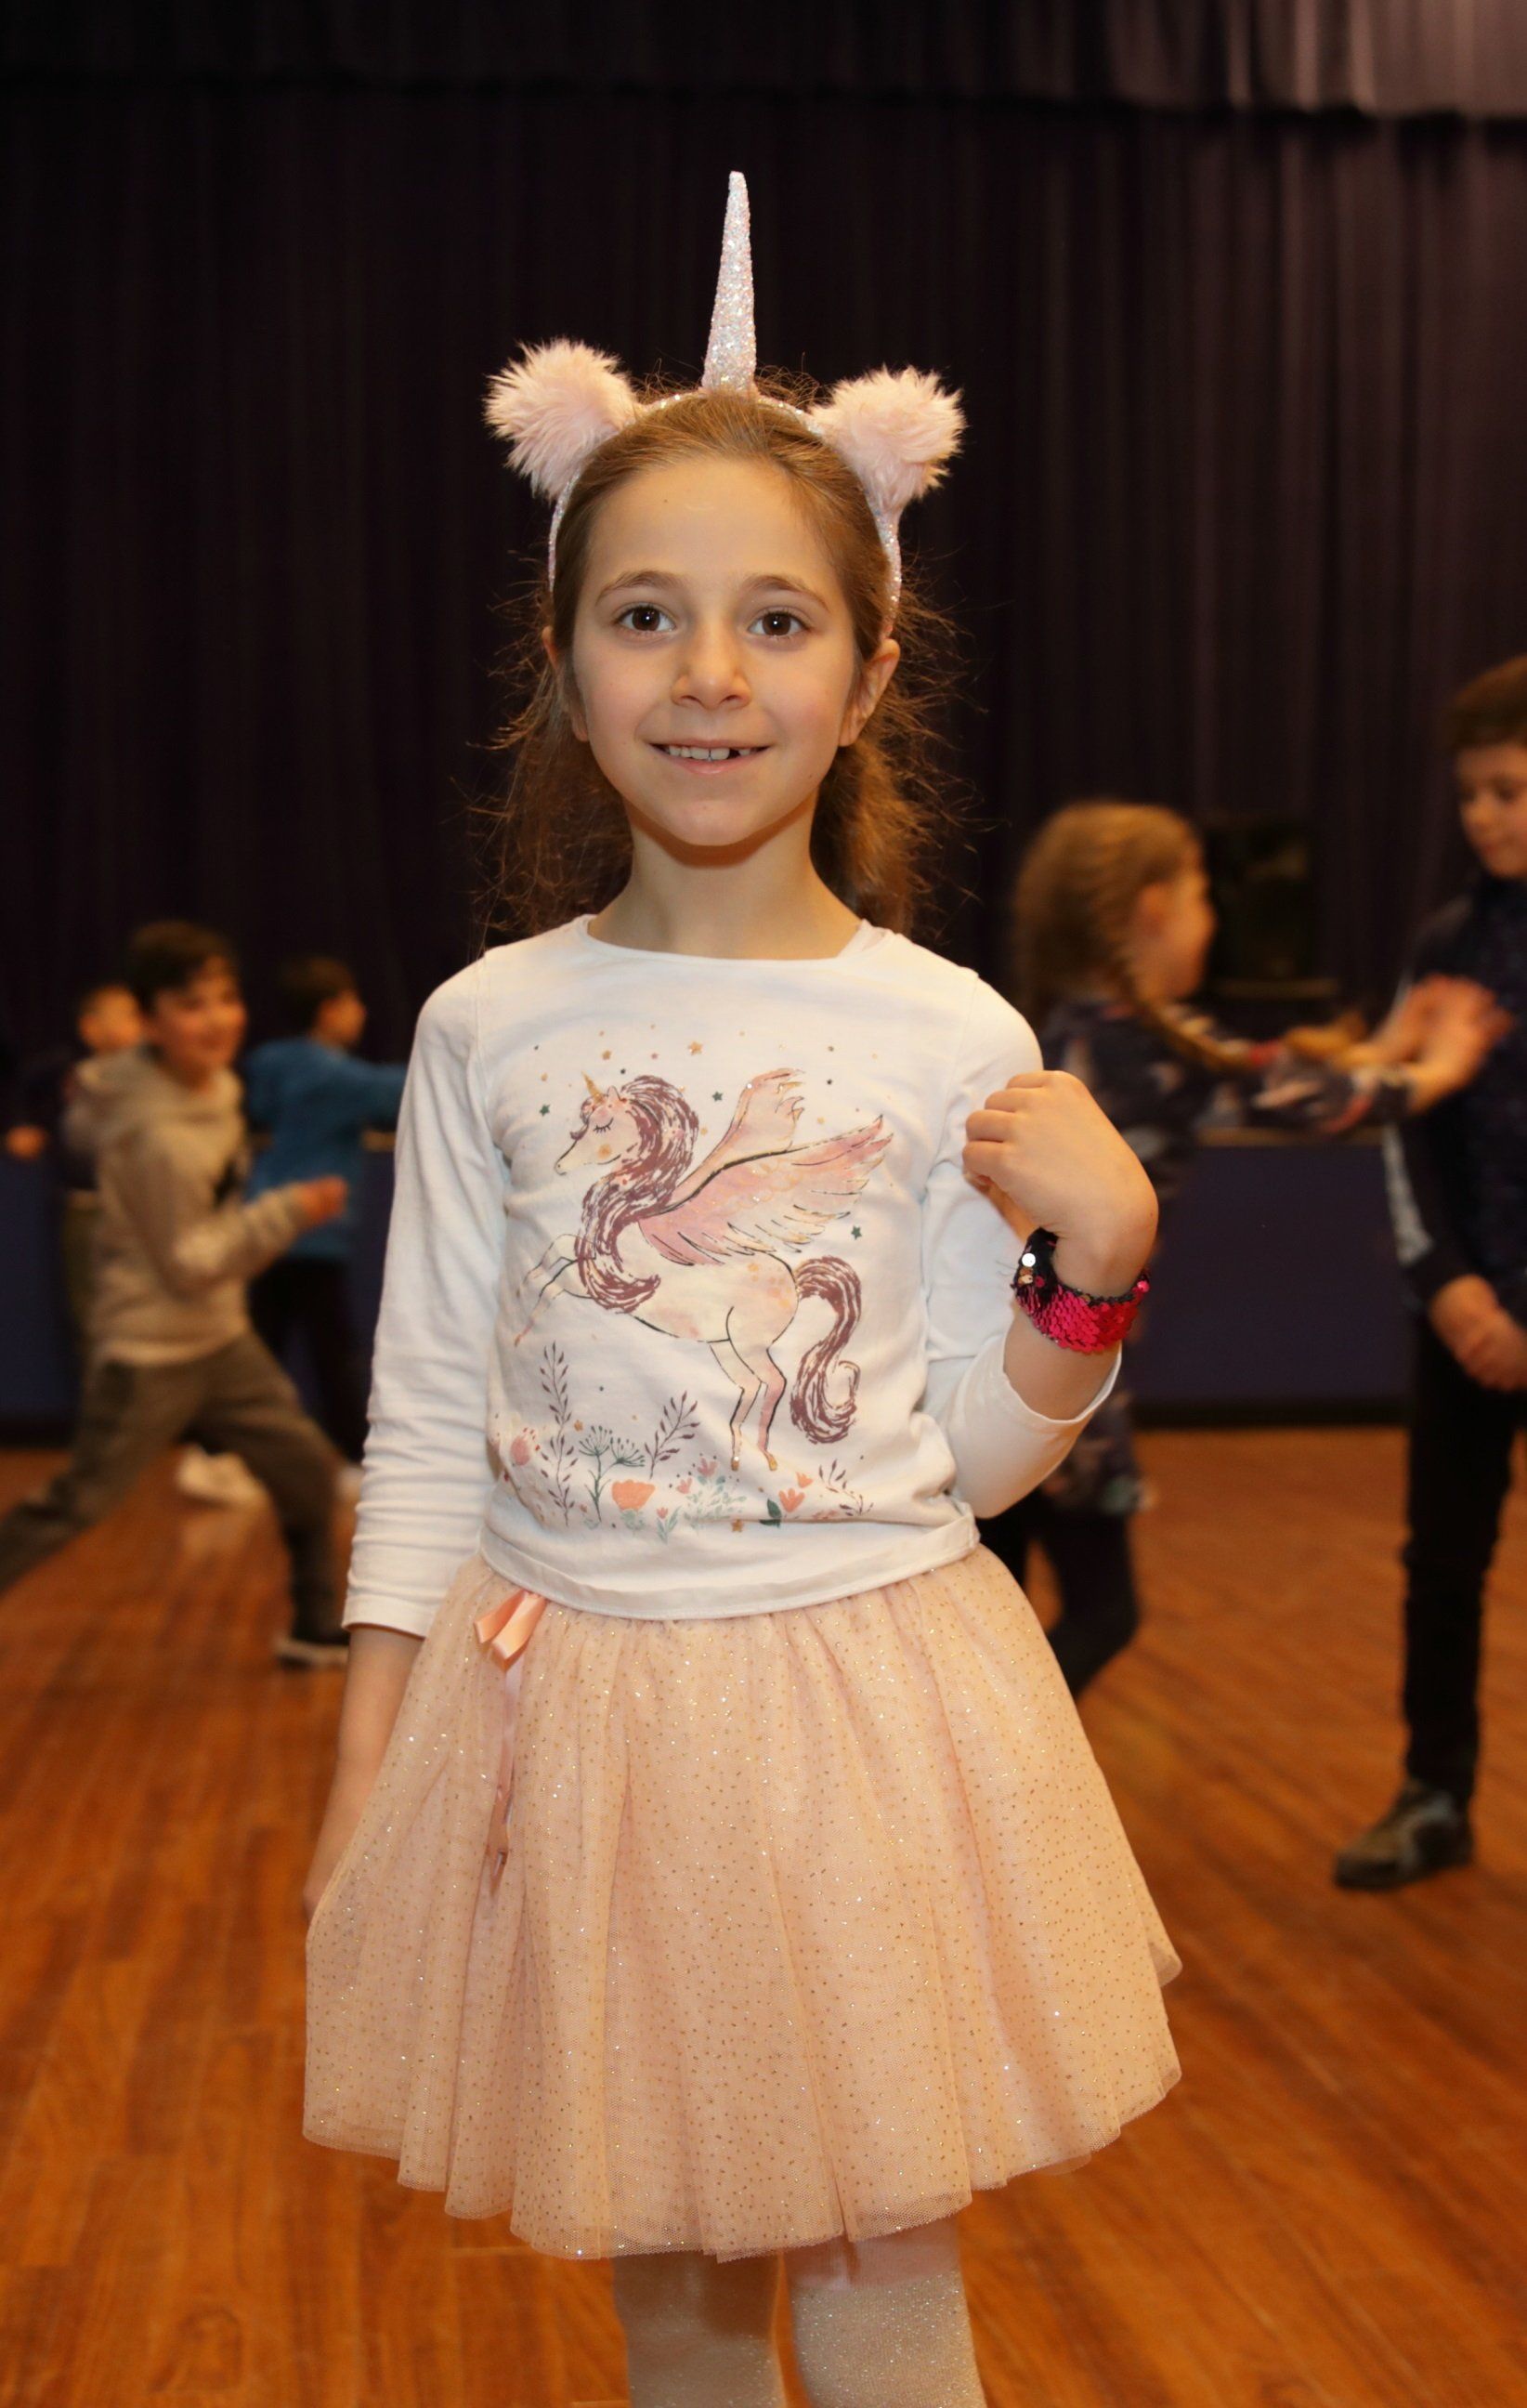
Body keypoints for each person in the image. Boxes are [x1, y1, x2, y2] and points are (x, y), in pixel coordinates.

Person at [302, 177, 1179, 2408]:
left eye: (776, 619)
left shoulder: (953, 1033)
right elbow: (427, 1415)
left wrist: (1093, 1270)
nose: (709, 675)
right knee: (675, 2282)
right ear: (560, 657)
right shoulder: (488, 1023)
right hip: (573, 1725)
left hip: (854, 1718)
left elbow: (961, 1462)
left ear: (868, 672)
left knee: (881, 2271)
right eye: (647, 615)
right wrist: (369, 1751)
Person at [982, 800, 1505, 1699]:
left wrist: (1392, 1045)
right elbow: (1313, 1098)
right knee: (1104, 1614)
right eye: (1199, 895)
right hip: (1059, 1362)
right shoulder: (1152, 1048)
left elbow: (1276, 1079)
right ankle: (1000, 1754)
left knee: (1003, 1606)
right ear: (1154, 909)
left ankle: (981, 1759)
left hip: (1000, 1353)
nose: (1213, 917)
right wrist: (1445, 1063)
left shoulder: (1070, 1029)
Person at [0, 921, 351, 1668]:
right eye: (192, 1005)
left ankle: (314, 1625)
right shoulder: (155, 1133)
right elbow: (190, 1262)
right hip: (151, 1353)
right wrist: (289, 1211)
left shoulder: (212, 1086)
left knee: (304, 1473)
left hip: (220, 1340)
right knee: (80, 1502)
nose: (218, 1019)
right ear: (152, 1021)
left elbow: (99, 1118)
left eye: (227, 997)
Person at [1336, 657, 1527, 1890]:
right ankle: (1433, 1792)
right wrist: (1451, 1286)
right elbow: (1402, 1125)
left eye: (1510, 791)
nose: (1485, 816)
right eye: (1472, 795)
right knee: (1442, 1562)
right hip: (1464, 1314)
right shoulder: (1448, 944)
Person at [244, 955, 406, 1479]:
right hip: (310, 1232)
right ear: (328, 1010)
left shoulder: (269, 1063)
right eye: (352, 1001)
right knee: (330, 1350)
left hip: (261, 1225)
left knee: (263, 1346)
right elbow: (403, 1090)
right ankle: (352, 1457)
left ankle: (225, 1454)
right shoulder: (330, 1074)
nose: (361, 1011)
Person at [4, 981, 144, 1349]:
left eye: (140, 1016)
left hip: (141, 1208)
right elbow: (22, 1088)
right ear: (90, 1028)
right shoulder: (68, 1070)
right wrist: (21, 1125)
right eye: (127, 1016)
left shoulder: (155, 1073)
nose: (138, 1025)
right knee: (88, 1315)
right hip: (86, 1207)